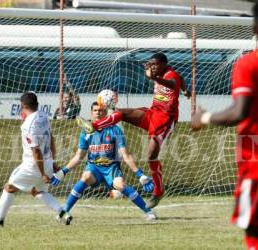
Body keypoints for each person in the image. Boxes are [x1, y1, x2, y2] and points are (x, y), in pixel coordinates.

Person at [77, 52, 190, 208]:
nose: (153, 67)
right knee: (122, 113)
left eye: (155, 64)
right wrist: (186, 91)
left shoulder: (171, 75)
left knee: (151, 156)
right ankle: (93, 126)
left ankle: (158, 191)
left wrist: (154, 78)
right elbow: (182, 82)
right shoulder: (162, 73)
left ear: (164, 64)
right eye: (151, 64)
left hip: (165, 120)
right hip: (153, 113)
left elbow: (173, 83)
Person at [191, 2, 258, 249]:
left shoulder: (249, 64)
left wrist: (205, 117)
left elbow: (240, 111)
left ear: (254, 27)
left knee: (253, 232)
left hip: (255, 165)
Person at [51, 102, 157, 224]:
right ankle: (64, 212)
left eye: (101, 110)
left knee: (121, 186)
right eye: (95, 110)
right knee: (85, 177)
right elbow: (79, 156)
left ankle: (149, 212)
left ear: (106, 113)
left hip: (111, 168)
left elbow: (126, 155)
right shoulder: (86, 131)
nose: (98, 112)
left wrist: (140, 174)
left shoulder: (115, 130)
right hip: (94, 168)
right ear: (91, 113)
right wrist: (63, 172)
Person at [0, 92, 72, 228]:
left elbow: (36, 151)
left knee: (9, 188)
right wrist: (52, 162)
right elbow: (51, 138)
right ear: (37, 104)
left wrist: (42, 173)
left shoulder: (28, 125)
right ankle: (62, 213)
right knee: (38, 191)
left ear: (22, 106)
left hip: (34, 166)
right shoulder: (44, 116)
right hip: (46, 162)